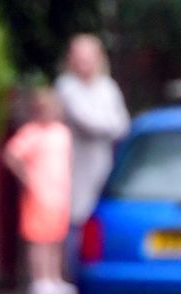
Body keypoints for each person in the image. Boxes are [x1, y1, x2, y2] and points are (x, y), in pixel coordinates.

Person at [2, 88, 76, 294]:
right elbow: (11, 155)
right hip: (39, 194)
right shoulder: (31, 132)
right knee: (39, 240)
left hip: (60, 194)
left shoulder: (62, 133)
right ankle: (40, 280)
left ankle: (54, 278)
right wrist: (27, 178)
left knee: (56, 239)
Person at [54, 34, 130, 226]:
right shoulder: (66, 87)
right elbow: (88, 122)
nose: (84, 64)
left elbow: (123, 126)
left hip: (103, 167)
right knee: (77, 226)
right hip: (74, 172)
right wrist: (109, 124)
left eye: (88, 58)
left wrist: (109, 125)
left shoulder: (107, 86)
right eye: (79, 59)